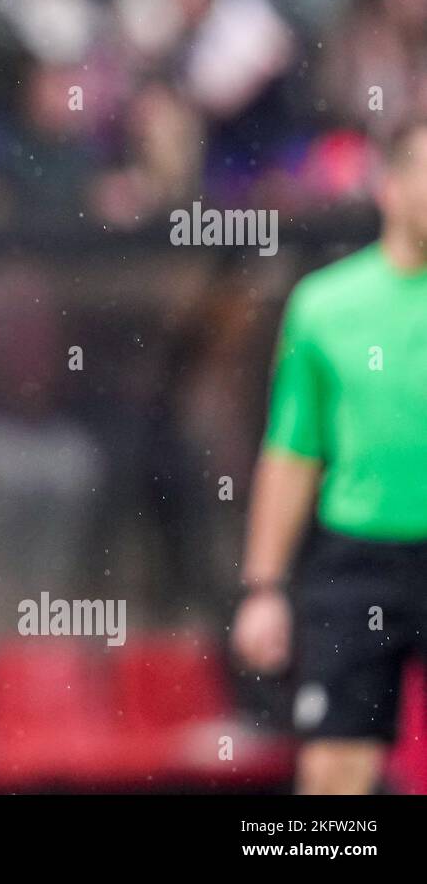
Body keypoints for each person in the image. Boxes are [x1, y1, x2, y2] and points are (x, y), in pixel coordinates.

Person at [232, 120, 427, 794]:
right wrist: (264, 589)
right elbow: (292, 452)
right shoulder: (325, 305)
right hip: (356, 565)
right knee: (335, 773)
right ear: (392, 188)